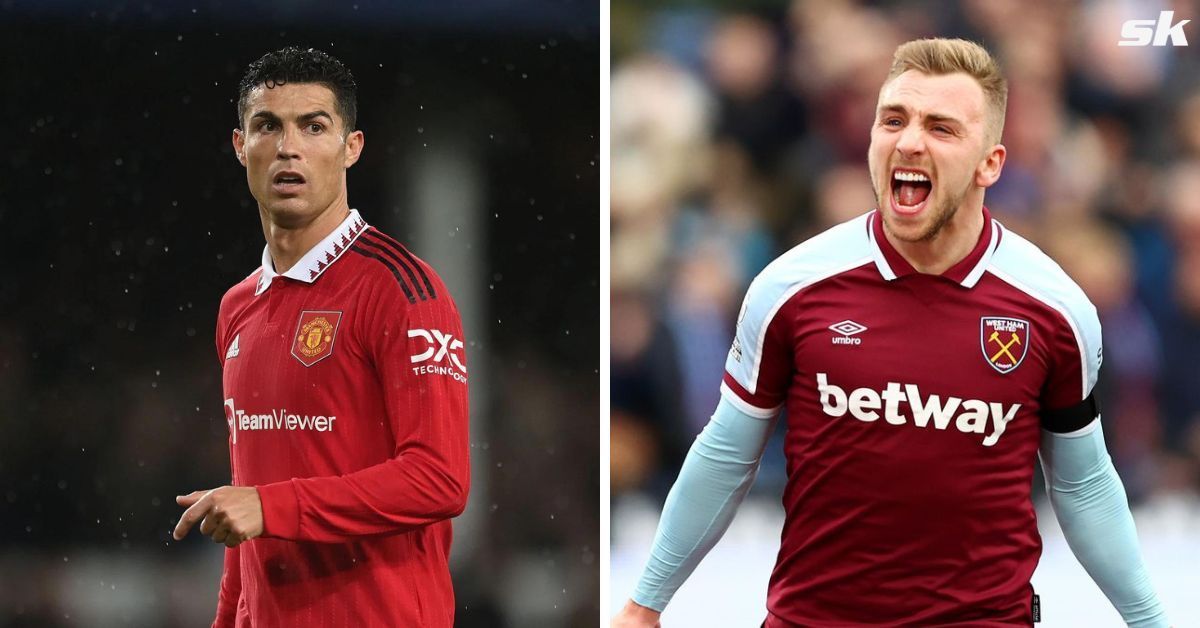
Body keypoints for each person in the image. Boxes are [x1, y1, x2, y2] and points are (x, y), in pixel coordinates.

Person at [614, 38, 1169, 627]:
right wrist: (643, 605)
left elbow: (1082, 485)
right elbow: (726, 456)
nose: (909, 142)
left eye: (941, 128)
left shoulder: (1056, 310)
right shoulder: (791, 287)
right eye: (894, 120)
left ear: (991, 164)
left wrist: (1151, 620)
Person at [172, 47, 470, 628]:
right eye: (268, 126)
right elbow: (249, 497)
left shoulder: (403, 290)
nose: (289, 147)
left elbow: (440, 479)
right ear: (240, 147)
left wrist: (270, 505)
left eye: (313, 126)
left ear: (350, 148)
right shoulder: (237, 307)